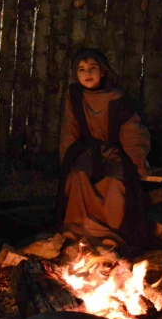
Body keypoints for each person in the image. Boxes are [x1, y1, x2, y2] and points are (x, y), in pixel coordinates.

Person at [56, 48, 151, 250]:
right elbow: (69, 130)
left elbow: (132, 133)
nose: (87, 73)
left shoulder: (118, 98)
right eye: (81, 69)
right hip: (88, 149)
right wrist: (64, 162)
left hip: (115, 150)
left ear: (102, 72)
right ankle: (76, 227)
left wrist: (137, 163)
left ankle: (111, 233)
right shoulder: (74, 95)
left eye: (92, 68)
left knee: (115, 181)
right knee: (77, 175)